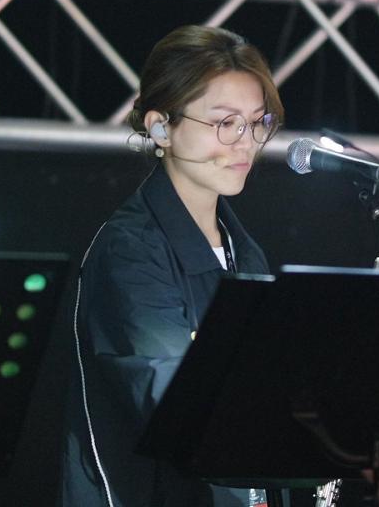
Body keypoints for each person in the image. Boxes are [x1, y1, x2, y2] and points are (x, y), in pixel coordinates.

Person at [59, 25, 284, 507]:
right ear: (162, 128)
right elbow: (173, 402)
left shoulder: (244, 251)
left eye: (256, 123)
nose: (245, 143)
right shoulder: (129, 250)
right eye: (225, 123)